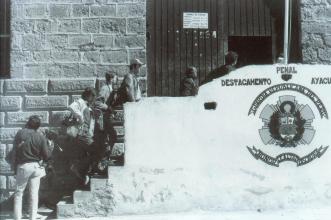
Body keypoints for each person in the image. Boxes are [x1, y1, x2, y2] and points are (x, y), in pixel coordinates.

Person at [12, 115, 53, 220]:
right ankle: (33, 217)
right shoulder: (40, 137)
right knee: (34, 194)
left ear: (28, 123)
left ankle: (17, 217)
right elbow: (47, 156)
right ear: (38, 126)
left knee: (18, 193)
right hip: (36, 167)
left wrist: (14, 168)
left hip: (23, 166)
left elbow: (15, 152)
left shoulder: (20, 133)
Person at [68, 87, 100, 184]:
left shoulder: (87, 104)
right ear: (89, 95)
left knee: (88, 154)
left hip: (86, 134)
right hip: (82, 134)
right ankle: (77, 167)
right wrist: (80, 118)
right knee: (96, 150)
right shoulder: (81, 102)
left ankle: (83, 171)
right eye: (93, 96)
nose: (94, 99)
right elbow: (71, 107)